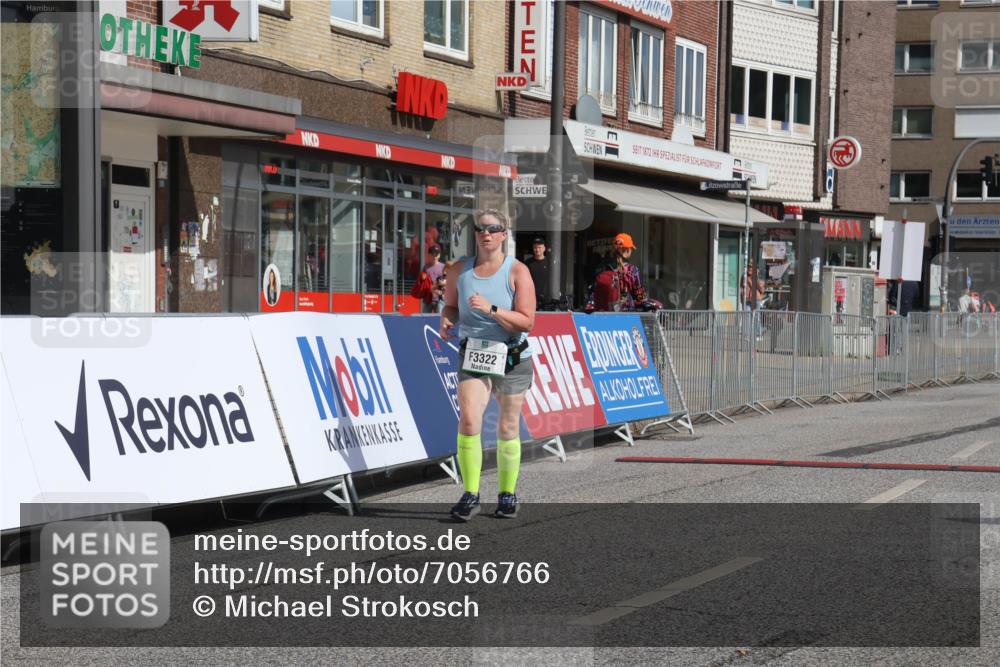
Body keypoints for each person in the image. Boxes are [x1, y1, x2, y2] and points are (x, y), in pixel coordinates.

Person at [439, 209, 536, 521]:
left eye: (494, 229)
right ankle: (470, 494)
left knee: (507, 425)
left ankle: (507, 494)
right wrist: (446, 318)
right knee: (469, 421)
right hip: (474, 353)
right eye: (481, 229)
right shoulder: (458, 271)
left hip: (511, 356)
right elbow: (452, 306)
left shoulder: (517, 272)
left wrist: (492, 309)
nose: (486, 234)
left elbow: (527, 321)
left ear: (504, 234)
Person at [587, 232, 646, 311]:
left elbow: (593, 290)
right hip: (625, 314)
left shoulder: (603, 267)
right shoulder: (633, 271)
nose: (631, 251)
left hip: (603, 313)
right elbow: (640, 297)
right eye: (631, 249)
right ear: (627, 250)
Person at [524, 236, 552, 307]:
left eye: (539, 247)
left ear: (544, 248)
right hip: (532, 298)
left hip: (547, 299)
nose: (537, 250)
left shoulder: (550, 262)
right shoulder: (528, 263)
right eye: (535, 247)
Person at [421, 245, 446, 313]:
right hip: (427, 299)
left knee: (439, 320)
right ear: (429, 255)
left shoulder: (443, 267)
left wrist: (443, 284)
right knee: (425, 321)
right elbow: (422, 282)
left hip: (440, 299)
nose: (435, 256)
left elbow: (448, 281)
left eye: (436, 254)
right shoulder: (425, 267)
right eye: (433, 254)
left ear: (439, 255)